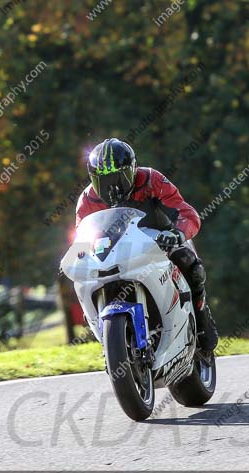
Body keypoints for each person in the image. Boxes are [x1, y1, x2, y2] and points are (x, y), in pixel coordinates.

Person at [75, 138, 219, 359]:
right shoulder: (87, 200)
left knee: (189, 263)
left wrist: (178, 233)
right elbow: (81, 237)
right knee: (83, 279)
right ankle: (107, 337)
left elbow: (187, 213)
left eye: (118, 178)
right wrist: (78, 254)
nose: (112, 187)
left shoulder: (152, 180)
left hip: (159, 240)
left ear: (132, 170)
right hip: (114, 252)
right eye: (102, 181)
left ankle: (200, 317)